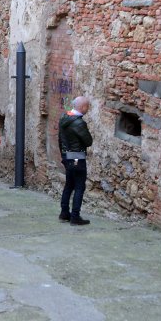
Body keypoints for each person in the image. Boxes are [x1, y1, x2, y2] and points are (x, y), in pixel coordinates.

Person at [58, 95, 93, 226]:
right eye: (87, 106)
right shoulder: (79, 123)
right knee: (79, 186)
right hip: (77, 157)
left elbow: (60, 140)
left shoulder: (64, 118)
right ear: (83, 107)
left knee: (69, 185)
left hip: (67, 156)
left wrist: (63, 155)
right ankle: (75, 216)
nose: (88, 109)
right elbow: (88, 141)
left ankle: (64, 213)